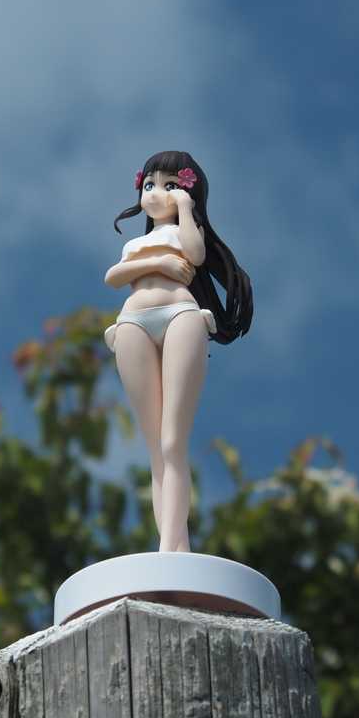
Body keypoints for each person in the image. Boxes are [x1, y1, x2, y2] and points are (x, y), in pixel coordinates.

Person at [104, 151, 252, 552]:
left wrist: (186, 209)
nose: (156, 193)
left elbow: (196, 254)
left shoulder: (184, 232)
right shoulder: (136, 243)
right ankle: (172, 545)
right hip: (132, 321)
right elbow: (113, 276)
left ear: (187, 190)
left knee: (173, 442)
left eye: (170, 185)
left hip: (180, 315)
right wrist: (161, 267)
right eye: (150, 184)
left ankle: (172, 543)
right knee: (155, 447)